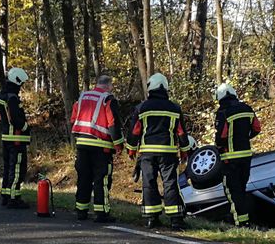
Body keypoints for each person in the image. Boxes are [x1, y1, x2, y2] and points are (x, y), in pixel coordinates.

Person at [124, 73, 191, 230]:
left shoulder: (142, 108)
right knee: (170, 184)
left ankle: (151, 219)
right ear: (166, 88)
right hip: (168, 153)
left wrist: (131, 149)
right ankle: (175, 220)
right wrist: (184, 150)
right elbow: (181, 132)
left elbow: (135, 131)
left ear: (150, 87)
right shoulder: (174, 108)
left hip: (147, 153)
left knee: (149, 183)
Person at [70, 74, 125, 222]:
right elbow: (113, 124)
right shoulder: (108, 99)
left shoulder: (82, 97)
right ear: (108, 85)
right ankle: (101, 213)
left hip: (82, 144)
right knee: (102, 179)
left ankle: (81, 210)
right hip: (101, 146)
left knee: (84, 177)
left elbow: (73, 119)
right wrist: (119, 145)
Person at [214, 83, 261, 227]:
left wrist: (219, 146)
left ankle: (240, 222)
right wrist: (245, 137)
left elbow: (221, 137)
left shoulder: (223, 112)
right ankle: (244, 220)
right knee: (242, 188)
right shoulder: (247, 108)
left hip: (230, 158)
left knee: (232, 190)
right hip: (246, 156)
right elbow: (257, 128)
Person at [0, 67, 31, 209]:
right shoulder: (12, 98)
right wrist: (26, 128)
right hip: (16, 139)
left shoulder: (2, 95)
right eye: (21, 83)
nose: (21, 86)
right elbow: (16, 119)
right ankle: (13, 198)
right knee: (17, 169)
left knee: (8, 168)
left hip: (6, 137)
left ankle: (5, 194)